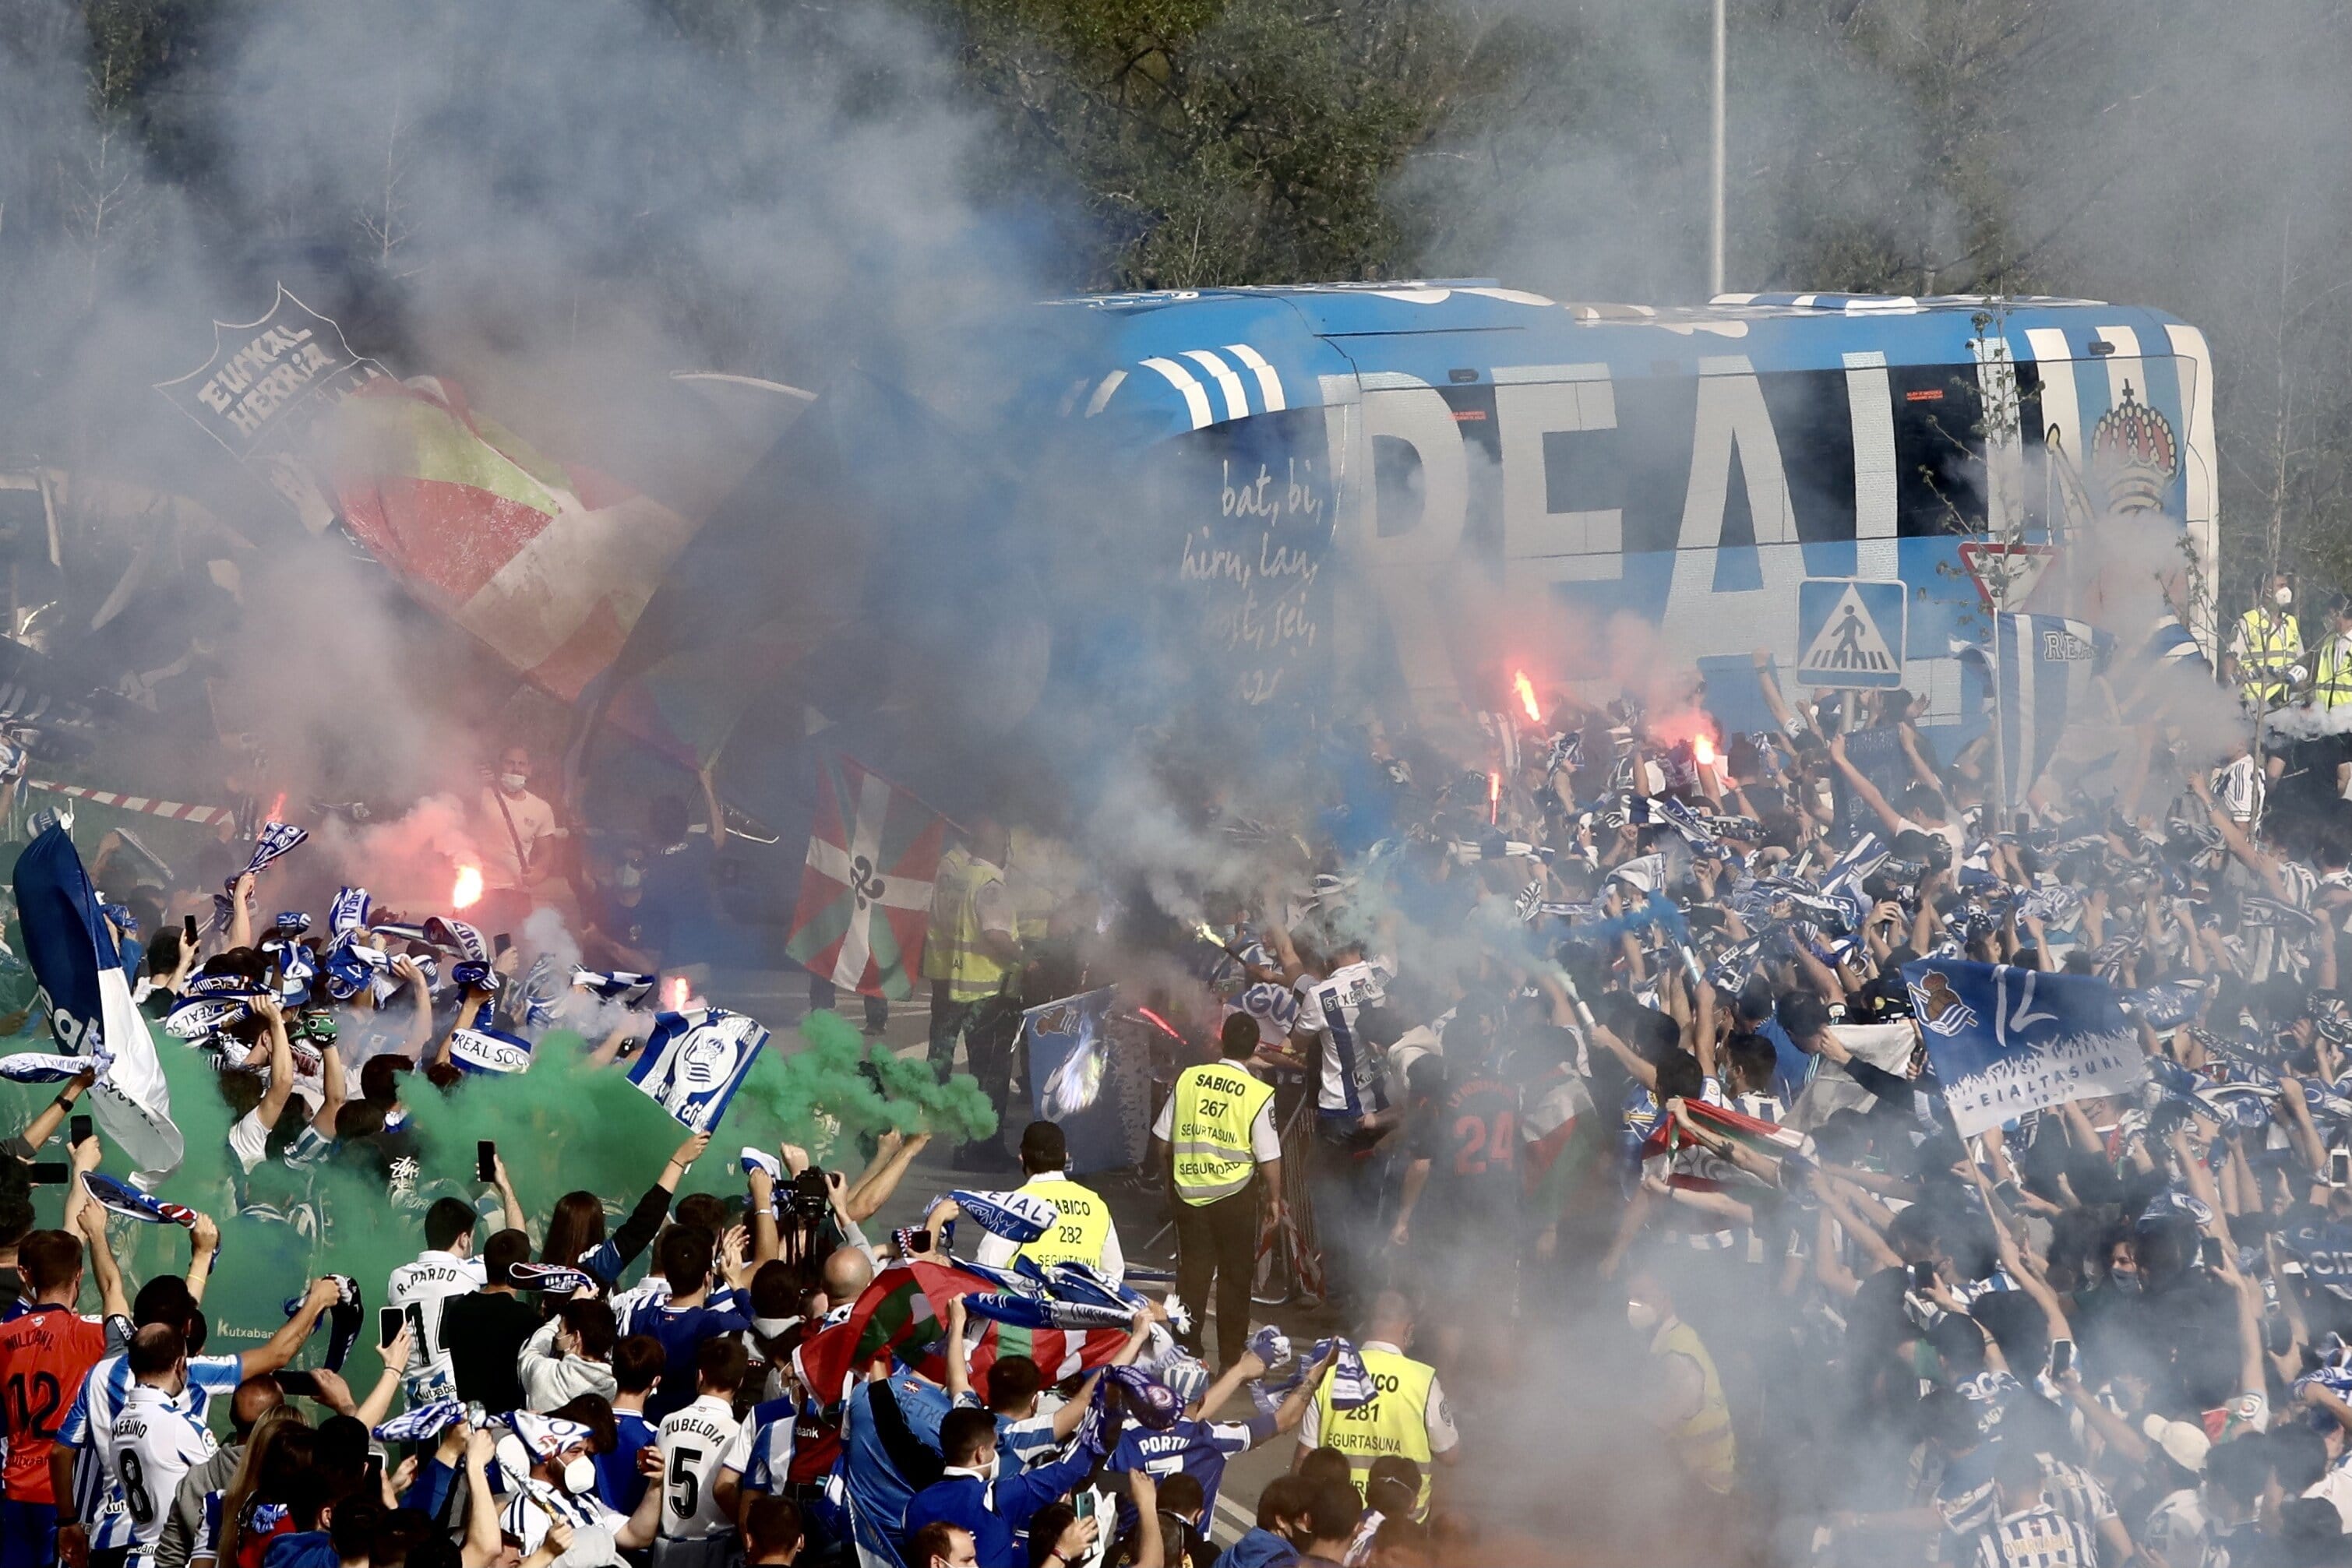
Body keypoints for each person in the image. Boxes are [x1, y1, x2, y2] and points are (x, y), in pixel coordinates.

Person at [1153, 1014, 1282, 1369]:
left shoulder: (1188, 1079)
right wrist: (1274, 1198)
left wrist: (1169, 1182)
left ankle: (1186, 1353)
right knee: (1235, 1277)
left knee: (1192, 1275)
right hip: (1236, 1197)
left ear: (1221, 1040)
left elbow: (1162, 1140)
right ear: (1255, 1048)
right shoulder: (1257, 1093)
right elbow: (1268, 1155)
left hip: (1188, 1191)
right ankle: (1230, 1359)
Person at [1, 1224, 122, 1568]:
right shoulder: (89, 1335)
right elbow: (115, 1297)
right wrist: (97, 1235)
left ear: (25, 1275)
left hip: (15, 1489)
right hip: (65, 1494)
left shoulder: (4, 1336)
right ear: (79, 1276)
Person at [1290, 1295, 1455, 1517]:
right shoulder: (1423, 1381)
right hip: (1400, 1524)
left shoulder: (1332, 1373)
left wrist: (1296, 1511)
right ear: (1409, 1330)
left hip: (1338, 1517)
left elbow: (1305, 1457)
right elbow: (1450, 1454)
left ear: (1366, 1325)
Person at [897, 1405, 1101, 1568]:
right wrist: (1102, 1416)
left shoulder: (913, 1507)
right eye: (994, 1448)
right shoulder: (995, 1498)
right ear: (981, 1453)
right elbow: (1066, 1471)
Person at [923, 816, 1020, 1107]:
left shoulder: (957, 875)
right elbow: (993, 933)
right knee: (986, 1063)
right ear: (1001, 848)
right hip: (980, 985)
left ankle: (931, 1103)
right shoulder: (987, 883)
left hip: (948, 972)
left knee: (941, 1045)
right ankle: (980, 1122)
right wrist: (1024, 958)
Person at [104, 1326, 216, 1568]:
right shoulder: (180, 1424)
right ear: (179, 1364)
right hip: (174, 1558)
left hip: (136, 1556)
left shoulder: (118, 1422)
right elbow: (223, 1489)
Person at [973, 1122, 1121, 1281]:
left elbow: (986, 1266)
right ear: (1066, 1157)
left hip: (1028, 1297)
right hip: (1082, 1297)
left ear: (1022, 1158)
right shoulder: (1096, 1205)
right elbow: (1113, 1275)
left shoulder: (1016, 1204)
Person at [654, 1337, 748, 1568]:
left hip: (666, 1549)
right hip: (715, 1550)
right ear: (740, 1382)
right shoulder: (738, 1433)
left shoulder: (667, 1422)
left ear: (700, 1375)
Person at [436, 1228, 539, 1411]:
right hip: (508, 1420)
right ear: (522, 1270)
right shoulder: (525, 1318)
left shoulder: (458, 1310)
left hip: (469, 1417)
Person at [2230, 573, 2304, 711]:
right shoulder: (2248, 622)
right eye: (2281, 586)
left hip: (2285, 704)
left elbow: (2301, 660)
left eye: (2286, 585)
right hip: (2255, 703)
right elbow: (2230, 661)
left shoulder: (2291, 622)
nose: (2287, 590)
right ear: (2266, 590)